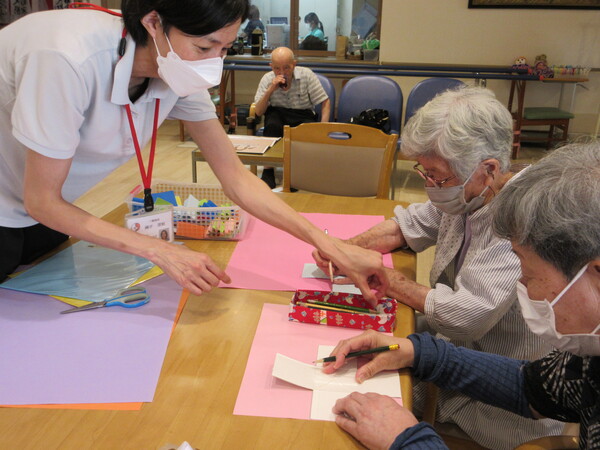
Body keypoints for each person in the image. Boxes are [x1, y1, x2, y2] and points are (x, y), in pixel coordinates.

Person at [0, 0, 387, 304]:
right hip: (25, 199)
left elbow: (236, 178)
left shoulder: (175, 67)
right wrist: (160, 251)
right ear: (153, 23)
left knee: (35, 301)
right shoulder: (65, 58)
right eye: (204, 46)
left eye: (224, 47)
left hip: (49, 207)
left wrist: (330, 245)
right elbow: (42, 200)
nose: (213, 62)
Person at [314, 87, 563, 448]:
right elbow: (410, 224)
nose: (430, 186)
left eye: (438, 177)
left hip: (494, 401)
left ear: (489, 169)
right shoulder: (472, 192)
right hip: (453, 357)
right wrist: (345, 249)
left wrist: (383, 276)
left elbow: (464, 317)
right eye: (424, 173)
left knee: (347, 406)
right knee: (356, 357)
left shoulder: (522, 221)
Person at [253, 46, 331, 188]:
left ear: (294, 64)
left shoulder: (306, 75)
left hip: (302, 113)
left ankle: (296, 172)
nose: (282, 73)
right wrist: (270, 90)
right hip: (277, 112)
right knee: (272, 125)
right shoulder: (267, 79)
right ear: (271, 66)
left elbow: (325, 102)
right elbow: (258, 112)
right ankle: (268, 171)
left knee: (303, 132)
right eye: (277, 68)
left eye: (286, 68)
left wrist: (322, 128)